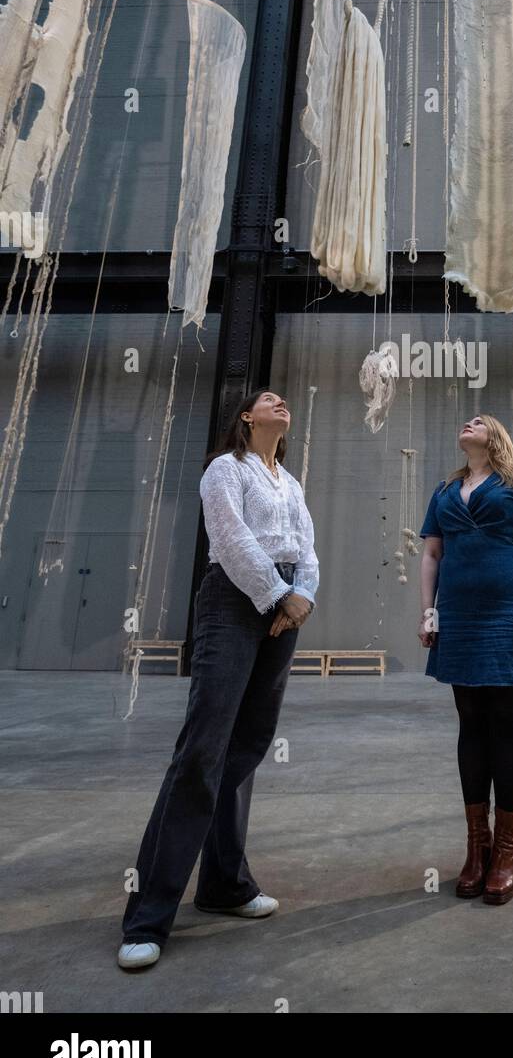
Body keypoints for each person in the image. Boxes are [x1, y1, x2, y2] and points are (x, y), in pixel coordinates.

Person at [117, 388, 319, 970]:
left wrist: (302, 593)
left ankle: (223, 885)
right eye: (268, 399)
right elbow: (230, 539)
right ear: (246, 418)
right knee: (203, 751)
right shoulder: (224, 470)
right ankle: (149, 913)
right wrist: (279, 593)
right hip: (234, 602)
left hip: (286, 607)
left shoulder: (292, 482)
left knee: (248, 744)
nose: (279, 402)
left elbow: (306, 547)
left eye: (283, 401)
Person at [418, 414, 513, 906]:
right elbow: (432, 554)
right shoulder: (445, 489)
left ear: (495, 434)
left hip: (507, 611)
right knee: (469, 722)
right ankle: (478, 846)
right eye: (465, 421)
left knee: (505, 721)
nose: (467, 423)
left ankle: (507, 850)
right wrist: (429, 612)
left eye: (479, 420)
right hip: (458, 613)